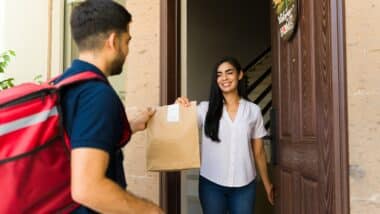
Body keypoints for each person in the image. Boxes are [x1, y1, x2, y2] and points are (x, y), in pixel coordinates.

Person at [55, 0, 163, 213]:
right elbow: (87, 188)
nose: (127, 50)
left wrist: (127, 125)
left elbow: (76, 137)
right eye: (127, 41)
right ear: (113, 41)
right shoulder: (97, 95)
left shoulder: (64, 85)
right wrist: (151, 211)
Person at [176, 57, 274, 214]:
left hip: (245, 185)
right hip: (211, 184)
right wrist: (179, 108)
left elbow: (259, 151)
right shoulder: (205, 109)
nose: (224, 78)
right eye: (219, 74)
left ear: (240, 75)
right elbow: (181, 126)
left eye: (229, 73)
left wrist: (267, 184)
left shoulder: (253, 110)